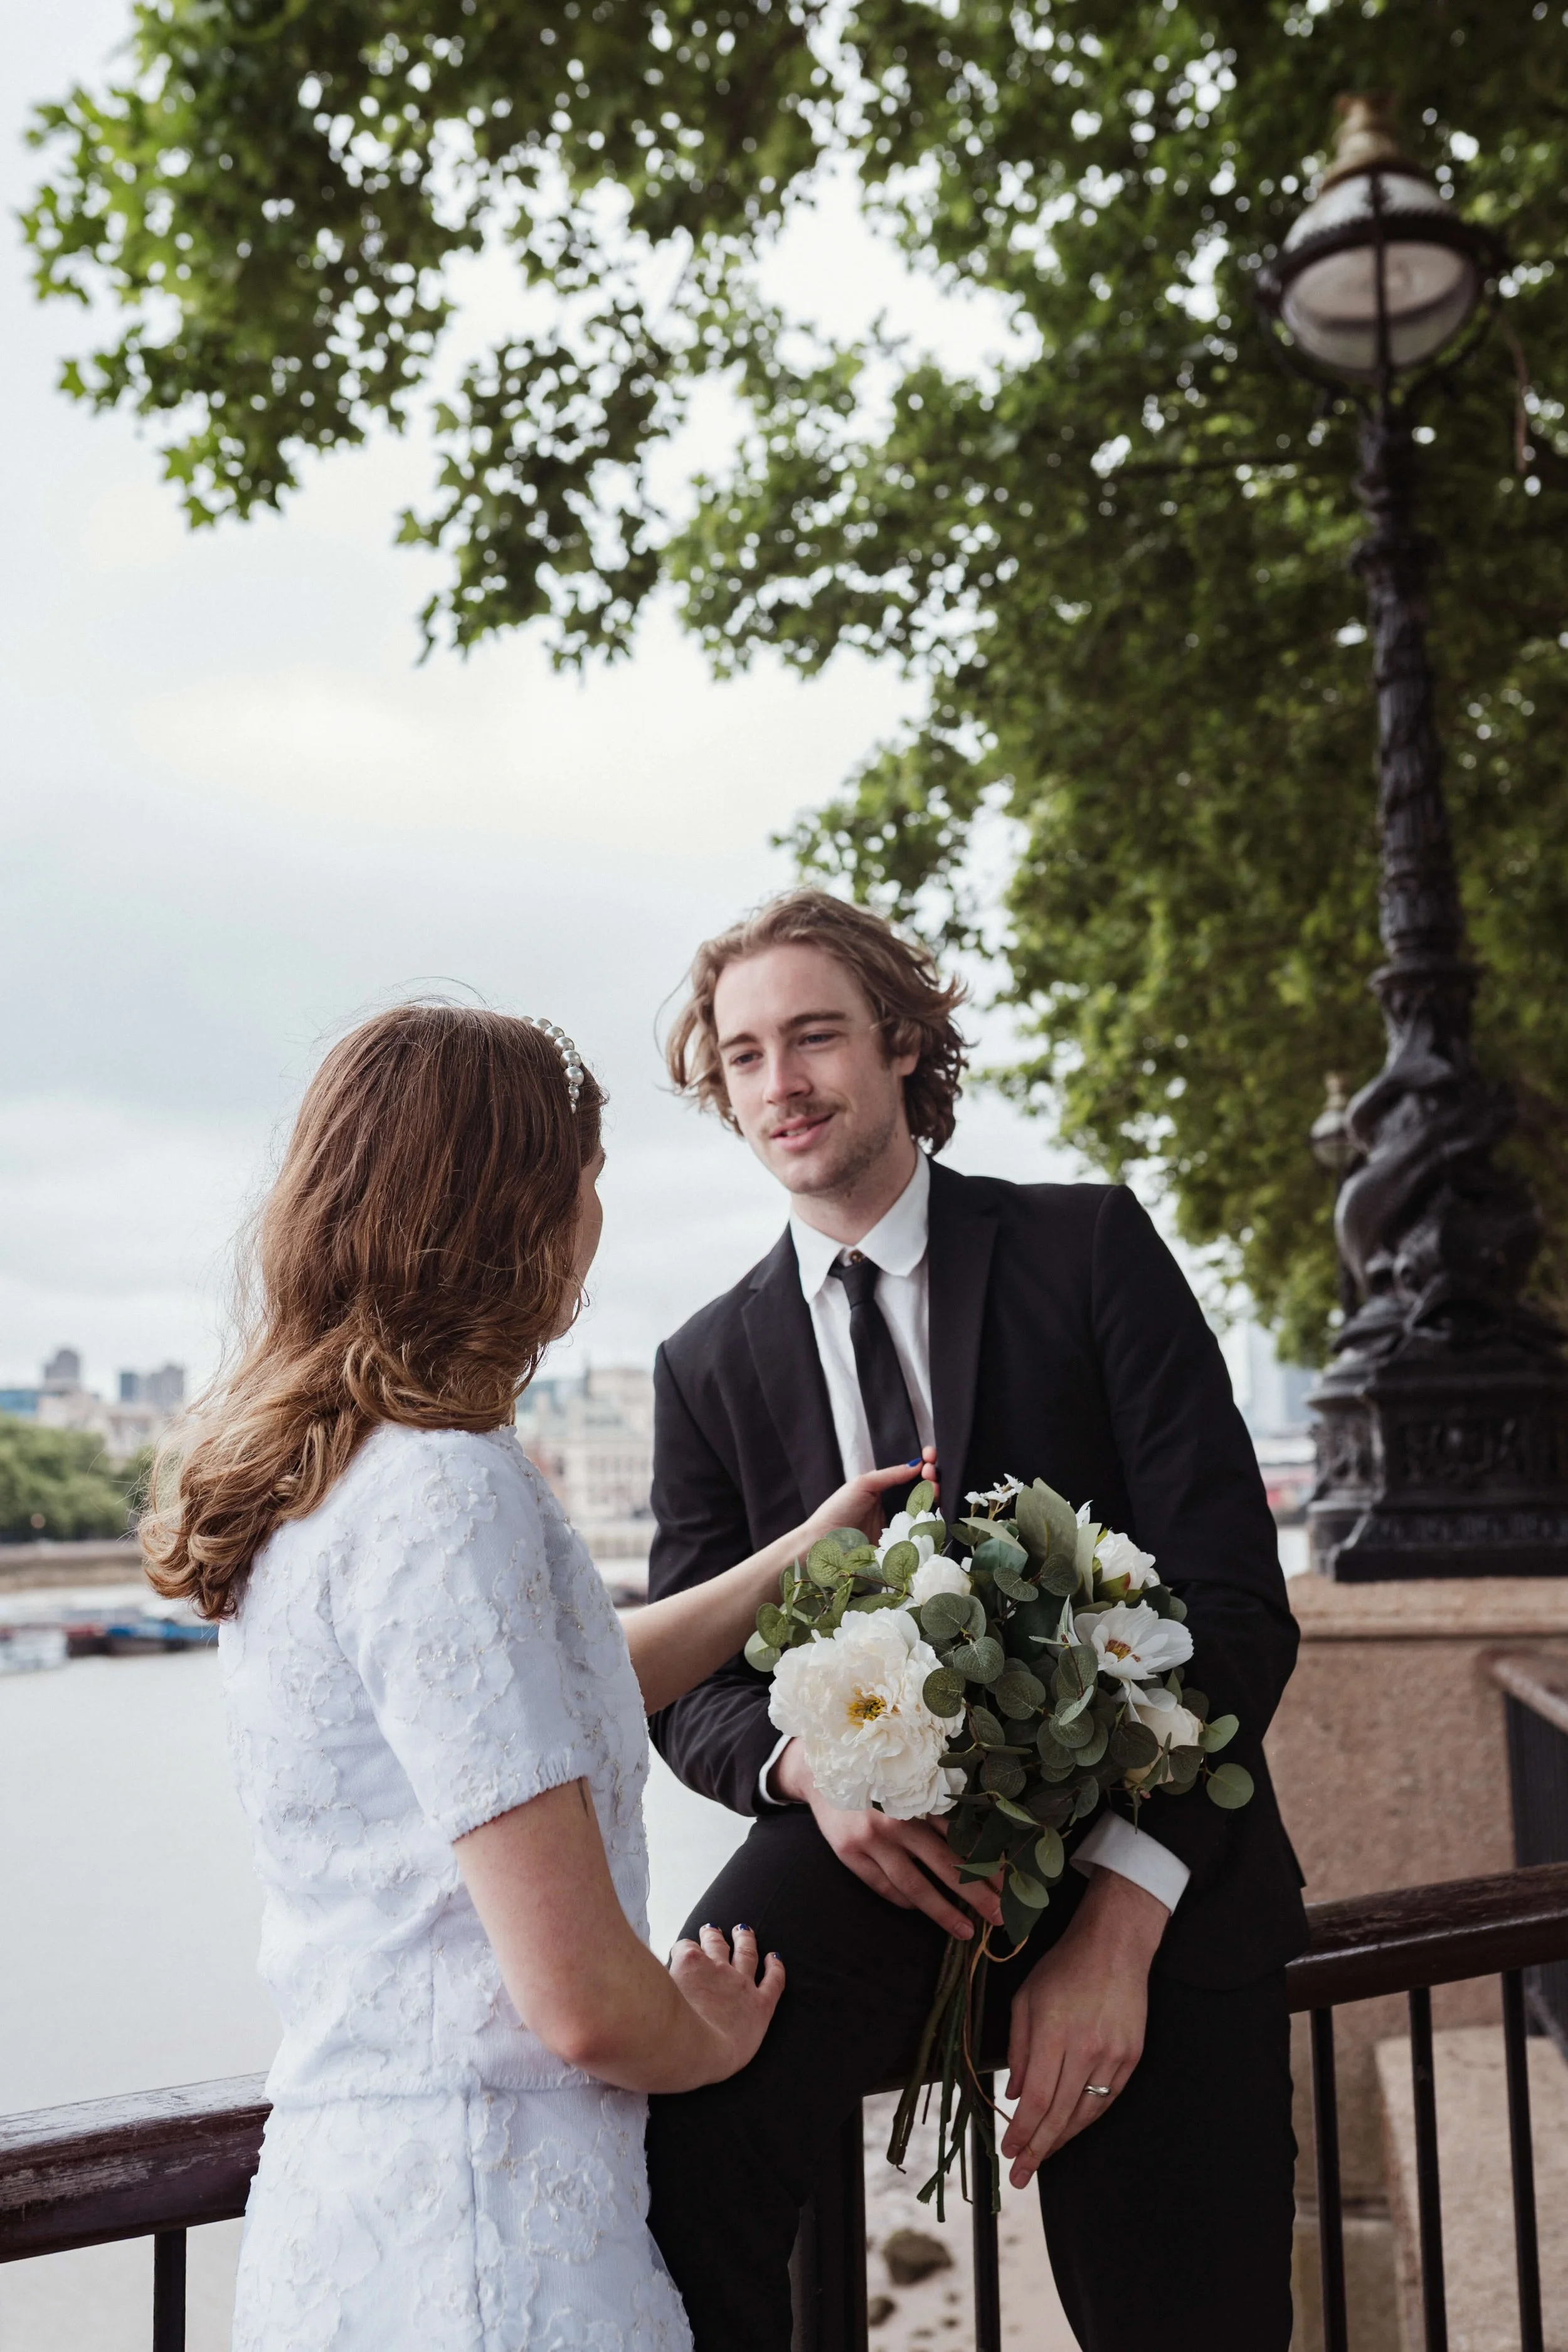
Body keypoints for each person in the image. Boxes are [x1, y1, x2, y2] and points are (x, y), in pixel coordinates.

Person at [142, 1002, 927, 2352]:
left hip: (344, 2229)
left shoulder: (320, 1482)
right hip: (499, 2241)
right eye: (585, 1175)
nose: (593, 1214)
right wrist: (710, 2036)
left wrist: (794, 1557)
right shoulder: (453, 1491)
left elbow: (530, 1698)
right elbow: (576, 2000)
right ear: (515, 1207)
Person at [644, 890, 1309, 2352]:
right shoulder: (700, 1365)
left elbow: (1236, 1609)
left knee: (1183, 2320)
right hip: (875, 1873)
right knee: (669, 2139)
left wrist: (1120, 1921)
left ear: (898, 1045)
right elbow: (683, 1692)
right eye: (743, 1056)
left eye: (813, 1036)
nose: (780, 1084)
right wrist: (807, 1772)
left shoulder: (1087, 1249)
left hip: (1153, 1856)